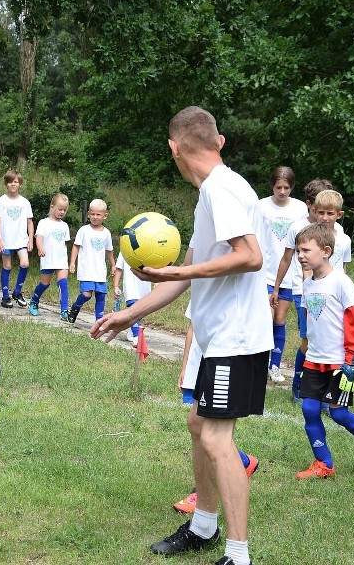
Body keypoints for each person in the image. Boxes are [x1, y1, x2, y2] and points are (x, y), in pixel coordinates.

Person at [91, 106, 272, 565]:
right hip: (217, 337)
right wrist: (128, 314)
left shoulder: (221, 189)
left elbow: (249, 256)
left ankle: (239, 555)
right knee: (199, 425)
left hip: (236, 338)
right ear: (220, 141)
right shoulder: (214, 191)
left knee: (215, 438)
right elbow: (183, 277)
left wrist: (183, 268)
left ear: (174, 148)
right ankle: (204, 527)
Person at [292, 222, 354, 480]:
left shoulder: (341, 282)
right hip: (314, 360)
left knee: (338, 413)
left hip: (340, 362)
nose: (300, 256)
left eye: (305, 250)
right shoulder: (308, 284)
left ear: (326, 250)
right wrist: (305, 346)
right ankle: (324, 464)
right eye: (298, 251)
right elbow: (308, 322)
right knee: (309, 410)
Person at [172, 315, 259, 515]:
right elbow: (192, 326)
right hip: (202, 359)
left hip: (223, 354)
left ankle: (203, 501)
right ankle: (243, 462)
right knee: (196, 423)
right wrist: (185, 366)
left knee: (212, 435)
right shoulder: (197, 286)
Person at [270, 180, 339, 402]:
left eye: (331, 212)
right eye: (321, 211)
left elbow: (340, 266)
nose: (325, 217)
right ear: (312, 207)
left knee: (330, 341)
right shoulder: (297, 228)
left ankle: (327, 391)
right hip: (304, 293)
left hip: (332, 295)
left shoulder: (341, 235)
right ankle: (298, 386)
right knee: (308, 341)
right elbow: (287, 259)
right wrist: (278, 287)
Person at [258, 166, 308, 383]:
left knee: (279, 320)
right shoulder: (261, 207)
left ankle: (274, 366)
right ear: (272, 186)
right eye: (278, 187)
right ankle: (258, 364)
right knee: (265, 318)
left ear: (292, 187)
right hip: (266, 273)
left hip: (290, 274)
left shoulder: (299, 209)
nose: (282, 191)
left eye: (286, 187)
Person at [67, 199, 115, 324]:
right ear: (88, 214)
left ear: (105, 215)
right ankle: (75, 307)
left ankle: (99, 321)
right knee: (86, 295)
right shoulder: (84, 230)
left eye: (98, 214)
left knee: (100, 295)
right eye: (92, 214)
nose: (95, 217)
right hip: (86, 269)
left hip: (100, 270)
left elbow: (109, 250)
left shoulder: (106, 233)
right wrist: (72, 262)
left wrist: (113, 265)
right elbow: (76, 246)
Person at [0, 170, 34, 308]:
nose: (13, 184)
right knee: (7, 266)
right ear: (6, 184)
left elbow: (29, 222)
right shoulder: (1, 201)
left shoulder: (25, 202)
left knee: (25, 264)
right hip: (6, 240)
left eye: (15, 181)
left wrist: (31, 240)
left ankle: (17, 292)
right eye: (10, 182)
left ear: (20, 183)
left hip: (21, 240)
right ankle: (5, 296)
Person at [27, 193, 71, 320]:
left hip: (61, 259)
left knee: (63, 283)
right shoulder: (44, 223)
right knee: (44, 283)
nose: (62, 212)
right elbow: (39, 237)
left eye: (64, 210)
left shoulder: (64, 225)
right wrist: (40, 248)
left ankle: (64, 310)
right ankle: (34, 301)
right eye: (60, 209)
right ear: (52, 207)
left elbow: (63, 243)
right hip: (48, 258)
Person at [112, 251, 152, 344]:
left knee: (140, 311)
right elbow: (119, 268)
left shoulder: (149, 245)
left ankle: (132, 329)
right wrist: (116, 286)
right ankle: (136, 336)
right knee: (133, 306)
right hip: (130, 284)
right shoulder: (125, 247)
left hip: (144, 284)